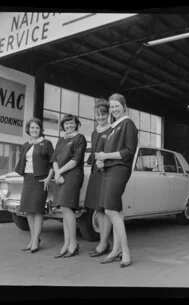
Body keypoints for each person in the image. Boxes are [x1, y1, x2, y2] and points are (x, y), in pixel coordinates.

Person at [95, 93, 138, 268]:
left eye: (116, 106)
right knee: (113, 211)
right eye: (112, 107)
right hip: (108, 169)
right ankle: (116, 250)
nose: (114, 109)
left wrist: (106, 156)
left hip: (120, 169)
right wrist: (101, 161)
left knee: (111, 210)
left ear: (124, 106)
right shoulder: (112, 128)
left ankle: (126, 252)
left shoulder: (128, 124)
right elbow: (105, 152)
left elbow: (129, 151)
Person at [15, 118, 54, 253]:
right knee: (28, 211)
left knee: (37, 211)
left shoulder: (47, 143)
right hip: (28, 179)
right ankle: (33, 239)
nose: (34, 130)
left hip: (40, 180)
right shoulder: (26, 144)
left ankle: (36, 240)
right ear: (28, 130)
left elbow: (52, 163)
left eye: (37, 128)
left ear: (40, 130)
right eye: (32, 128)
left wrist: (49, 178)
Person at [50, 114, 87, 258]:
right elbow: (54, 158)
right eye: (66, 124)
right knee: (63, 210)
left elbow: (76, 160)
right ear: (63, 126)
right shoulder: (61, 139)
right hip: (60, 175)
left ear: (76, 124)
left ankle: (73, 243)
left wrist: (59, 172)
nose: (69, 126)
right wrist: (57, 173)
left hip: (72, 174)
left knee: (66, 207)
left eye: (71, 123)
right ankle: (66, 243)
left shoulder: (80, 138)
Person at [84, 99, 113, 257]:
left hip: (106, 172)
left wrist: (106, 162)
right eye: (97, 114)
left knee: (105, 209)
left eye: (103, 114)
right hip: (96, 172)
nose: (100, 117)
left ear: (107, 114)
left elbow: (113, 152)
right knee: (98, 208)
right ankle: (103, 242)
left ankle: (103, 244)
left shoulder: (112, 131)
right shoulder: (95, 132)